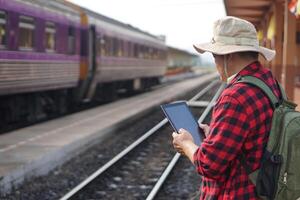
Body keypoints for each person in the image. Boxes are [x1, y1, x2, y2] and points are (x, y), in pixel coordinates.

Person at [172, 16, 281, 199]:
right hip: (265, 189)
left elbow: (209, 165)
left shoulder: (235, 97)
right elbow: (252, 135)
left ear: (228, 56)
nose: (214, 63)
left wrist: (187, 144)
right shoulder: (269, 81)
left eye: (214, 56)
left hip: (238, 193)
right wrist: (215, 133)